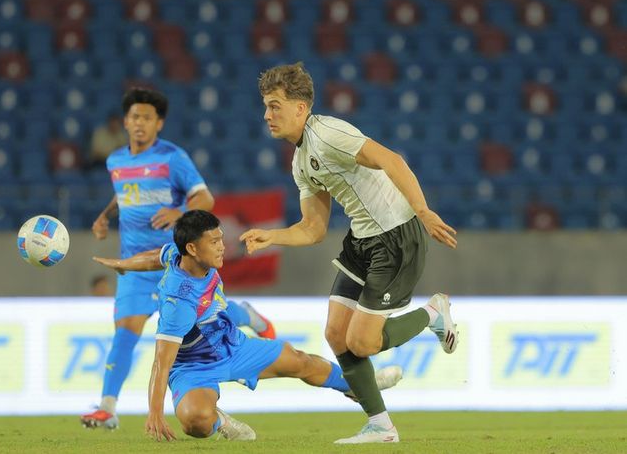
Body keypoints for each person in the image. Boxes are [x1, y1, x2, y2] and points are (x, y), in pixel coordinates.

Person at [239, 63, 460, 444]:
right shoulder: (299, 161)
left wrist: (423, 212)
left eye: (275, 105)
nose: (267, 115)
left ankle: (433, 313)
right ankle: (381, 426)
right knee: (336, 333)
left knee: (363, 343)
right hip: (362, 241)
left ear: (301, 108)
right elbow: (313, 229)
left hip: (396, 237)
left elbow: (393, 160)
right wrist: (271, 237)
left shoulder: (328, 134)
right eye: (265, 106)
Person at [93, 210, 403, 442]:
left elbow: (154, 257)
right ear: (193, 249)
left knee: (300, 361)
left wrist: (124, 264)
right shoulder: (178, 302)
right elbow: (161, 363)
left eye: (220, 238)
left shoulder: (179, 253)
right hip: (193, 367)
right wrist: (155, 413)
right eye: (214, 241)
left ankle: (358, 386)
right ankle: (221, 422)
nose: (222, 246)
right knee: (195, 423)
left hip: (233, 345)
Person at [80, 88, 276, 430]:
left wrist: (179, 210)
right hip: (136, 266)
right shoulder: (116, 162)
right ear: (125, 121)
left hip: (177, 265)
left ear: (159, 124)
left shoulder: (173, 158)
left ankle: (247, 314)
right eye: (135, 117)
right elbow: (125, 194)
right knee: (124, 333)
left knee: (212, 320)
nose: (140, 123)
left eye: (147, 118)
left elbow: (206, 197)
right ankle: (108, 407)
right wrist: (105, 216)